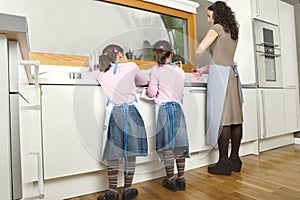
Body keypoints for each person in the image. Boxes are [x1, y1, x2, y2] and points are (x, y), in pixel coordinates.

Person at [193, 1, 243, 175]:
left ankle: (223, 163)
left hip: (220, 78)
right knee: (236, 118)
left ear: (217, 14)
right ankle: (235, 159)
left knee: (223, 119)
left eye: (209, 16)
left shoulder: (217, 29)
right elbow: (224, 58)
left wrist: (193, 64)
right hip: (231, 74)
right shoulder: (233, 31)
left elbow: (200, 50)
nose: (208, 20)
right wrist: (203, 69)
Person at [96, 44, 148, 200]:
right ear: (121, 55)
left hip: (115, 114)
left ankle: (112, 192)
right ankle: (127, 190)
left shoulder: (102, 74)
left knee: (114, 153)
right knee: (130, 153)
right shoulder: (131, 66)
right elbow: (144, 81)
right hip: (132, 112)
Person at [146, 40, 189, 191]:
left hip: (164, 110)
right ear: (171, 53)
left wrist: (147, 90)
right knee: (179, 145)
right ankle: (181, 179)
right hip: (178, 109)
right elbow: (180, 92)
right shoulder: (180, 71)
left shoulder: (156, 70)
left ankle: (171, 180)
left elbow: (151, 92)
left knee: (168, 147)